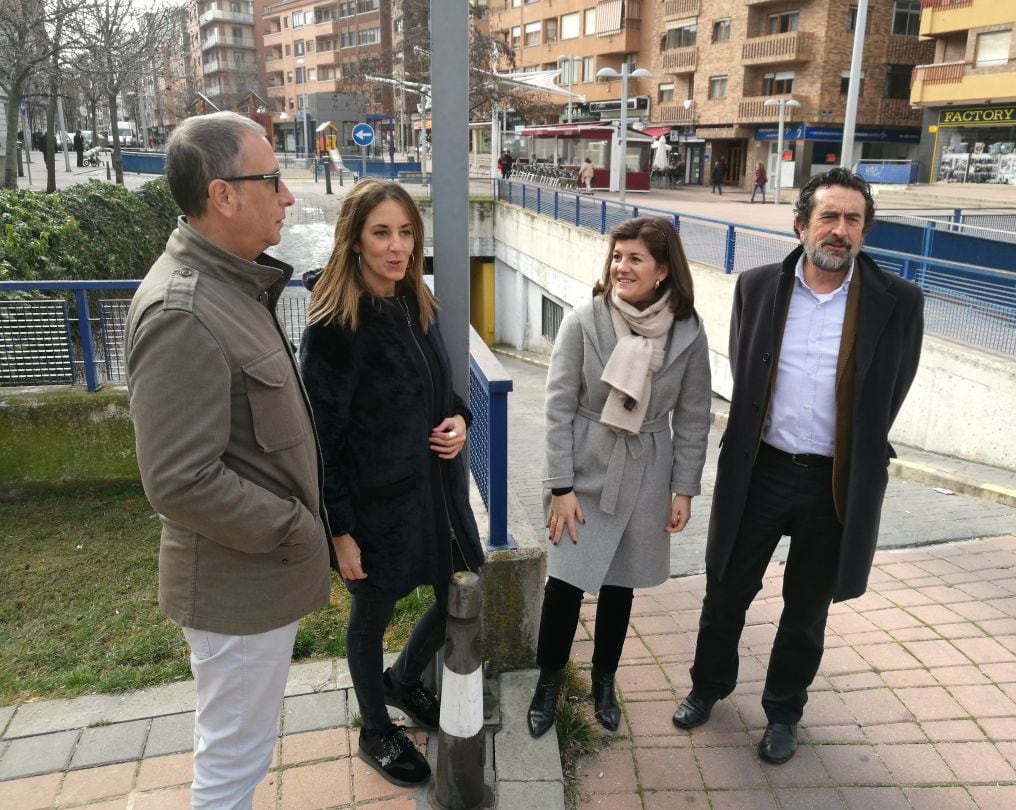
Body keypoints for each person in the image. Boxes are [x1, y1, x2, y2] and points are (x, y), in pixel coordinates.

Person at [672, 168, 925, 767]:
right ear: (801, 224)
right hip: (760, 472)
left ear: (865, 229)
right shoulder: (757, 287)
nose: (839, 231)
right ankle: (708, 687)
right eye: (828, 217)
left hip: (835, 484)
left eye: (852, 220)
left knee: (807, 609)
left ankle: (784, 712)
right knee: (726, 590)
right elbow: (745, 371)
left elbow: (893, 389)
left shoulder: (899, 302)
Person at [124, 111, 331, 808]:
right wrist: (295, 528)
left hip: (255, 576)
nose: (289, 195)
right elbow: (179, 481)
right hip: (237, 583)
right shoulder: (184, 310)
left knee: (239, 752)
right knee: (231, 769)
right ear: (223, 195)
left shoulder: (230, 283)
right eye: (273, 179)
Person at [299, 179, 485, 787]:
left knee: (462, 586)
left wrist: (460, 417)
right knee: (371, 614)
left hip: (438, 494)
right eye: (381, 232)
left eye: (406, 232)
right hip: (378, 507)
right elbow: (323, 441)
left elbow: (440, 388)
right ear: (354, 240)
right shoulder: (333, 326)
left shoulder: (417, 303)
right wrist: (341, 530)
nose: (397, 246)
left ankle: (403, 680)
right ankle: (375, 727)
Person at [528, 217, 712, 738]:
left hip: (648, 469)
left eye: (634, 258)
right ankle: (548, 682)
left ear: (662, 270)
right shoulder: (584, 319)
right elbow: (557, 407)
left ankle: (604, 681)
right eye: (616, 256)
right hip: (585, 465)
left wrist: (684, 490)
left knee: (620, 585)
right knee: (564, 582)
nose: (621, 267)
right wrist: (559, 488)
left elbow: (695, 416)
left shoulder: (688, 331)